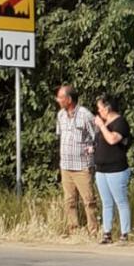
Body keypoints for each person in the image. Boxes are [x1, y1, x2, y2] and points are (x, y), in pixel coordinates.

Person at [55, 84, 98, 238]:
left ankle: (93, 231)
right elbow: (60, 136)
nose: (58, 100)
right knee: (69, 200)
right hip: (66, 165)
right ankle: (73, 230)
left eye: (60, 97)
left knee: (89, 200)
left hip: (82, 166)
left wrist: (93, 148)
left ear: (69, 99)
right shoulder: (60, 115)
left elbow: (97, 135)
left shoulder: (85, 115)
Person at [93, 96, 132, 243]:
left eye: (100, 108)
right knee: (106, 202)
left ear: (107, 108)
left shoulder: (120, 123)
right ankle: (107, 233)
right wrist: (93, 149)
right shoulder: (105, 123)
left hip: (116, 169)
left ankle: (125, 233)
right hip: (101, 169)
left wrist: (101, 126)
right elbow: (101, 141)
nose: (98, 111)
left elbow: (112, 139)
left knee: (120, 201)